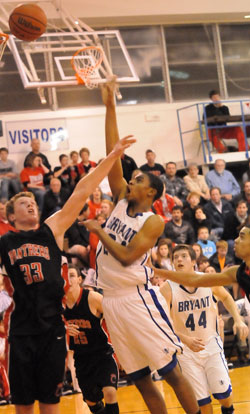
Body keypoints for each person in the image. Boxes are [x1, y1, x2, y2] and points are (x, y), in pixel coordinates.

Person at [83, 80, 200, 414]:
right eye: (130, 180)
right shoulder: (121, 198)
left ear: (151, 193)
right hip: (112, 303)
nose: (129, 182)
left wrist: (98, 230)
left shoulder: (153, 221)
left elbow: (125, 257)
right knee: (139, 378)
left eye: (137, 182)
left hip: (137, 300)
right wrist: (109, 106)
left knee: (171, 371)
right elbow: (113, 158)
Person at [0, 134, 135, 414]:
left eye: (32, 202)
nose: (31, 205)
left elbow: (82, 190)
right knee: (23, 405)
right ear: (10, 217)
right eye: (23, 204)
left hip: (53, 329)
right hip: (22, 329)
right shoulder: (5, 241)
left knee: (51, 403)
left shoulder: (51, 229)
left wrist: (111, 157)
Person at [160, 244, 248, 414]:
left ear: (193, 261)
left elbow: (226, 297)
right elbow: (162, 323)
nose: (179, 259)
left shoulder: (207, 281)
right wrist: (185, 339)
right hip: (186, 352)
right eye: (176, 257)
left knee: (224, 397)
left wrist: (238, 319)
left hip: (211, 345)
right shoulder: (167, 288)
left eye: (184, 256)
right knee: (203, 404)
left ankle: (228, 409)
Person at [64, 265, 119, 414]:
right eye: (65, 276)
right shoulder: (58, 304)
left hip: (102, 354)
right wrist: (64, 327)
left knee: (110, 392)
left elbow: (116, 316)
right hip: (82, 358)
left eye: (72, 275)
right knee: (91, 401)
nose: (68, 279)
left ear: (80, 279)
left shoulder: (92, 298)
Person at [154, 223, 250, 303]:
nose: (235, 240)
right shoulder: (238, 271)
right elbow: (194, 280)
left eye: (242, 237)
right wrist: (155, 270)